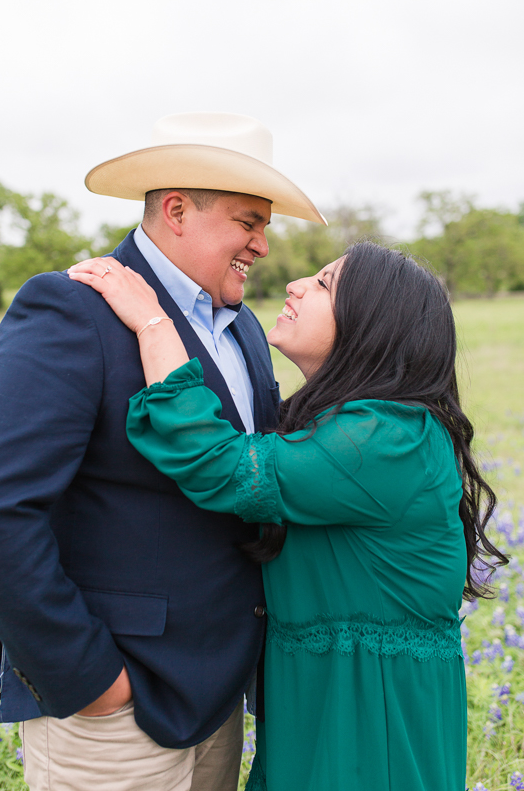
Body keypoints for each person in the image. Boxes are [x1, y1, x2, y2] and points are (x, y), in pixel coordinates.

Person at [0, 112, 327, 791]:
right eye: (249, 220)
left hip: (219, 694)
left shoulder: (243, 332)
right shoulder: (71, 309)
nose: (262, 245)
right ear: (177, 210)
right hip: (115, 707)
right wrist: (90, 679)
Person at [67, 240, 504, 790]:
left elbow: (217, 465)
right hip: (322, 694)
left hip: (370, 713)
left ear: (371, 326)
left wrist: (153, 321)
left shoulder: (387, 439)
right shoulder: (357, 427)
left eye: (324, 284)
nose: (296, 283)